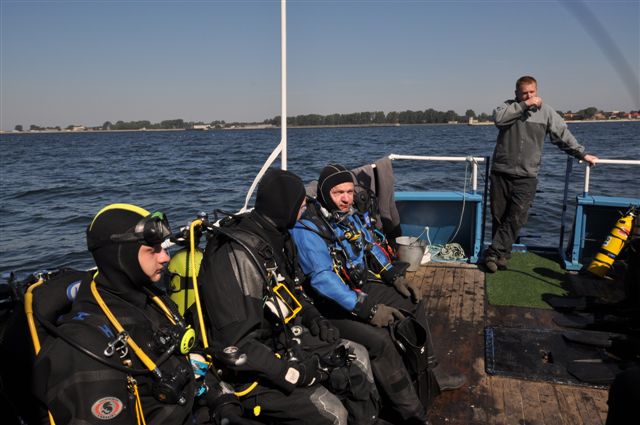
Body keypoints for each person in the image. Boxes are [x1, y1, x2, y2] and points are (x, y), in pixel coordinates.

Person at [198, 168, 381, 425]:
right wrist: (293, 373)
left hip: (282, 335)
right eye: (302, 204)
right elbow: (237, 345)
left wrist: (313, 317)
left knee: (356, 356)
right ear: (284, 205)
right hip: (251, 366)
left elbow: (290, 288)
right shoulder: (236, 255)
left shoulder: (278, 236)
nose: (305, 209)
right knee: (330, 412)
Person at [291, 164, 465, 425]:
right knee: (380, 339)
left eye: (349, 191)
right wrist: (368, 309)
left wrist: (394, 278)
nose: (347, 198)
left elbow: (370, 247)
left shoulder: (349, 216)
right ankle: (412, 414)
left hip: (358, 286)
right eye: (339, 192)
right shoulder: (308, 231)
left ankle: (430, 370)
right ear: (326, 193)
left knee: (413, 302)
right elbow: (323, 280)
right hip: (330, 304)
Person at [31, 204, 214, 424]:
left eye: (163, 247)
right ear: (121, 255)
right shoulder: (86, 346)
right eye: (153, 249)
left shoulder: (154, 301)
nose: (165, 257)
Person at [484, 75, 599, 272]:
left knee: (517, 216)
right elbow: (499, 120)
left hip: (527, 175)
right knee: (499, 216)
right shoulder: (507, 108)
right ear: (517, 94)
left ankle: (493, 253)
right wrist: (524, 105)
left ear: (537, 91)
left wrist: (582, 153)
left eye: (532, 92)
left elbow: (562, 135)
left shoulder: (546, 112)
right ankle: (502, 256)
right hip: (501, 171)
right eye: (524, 93)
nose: (529, 96)